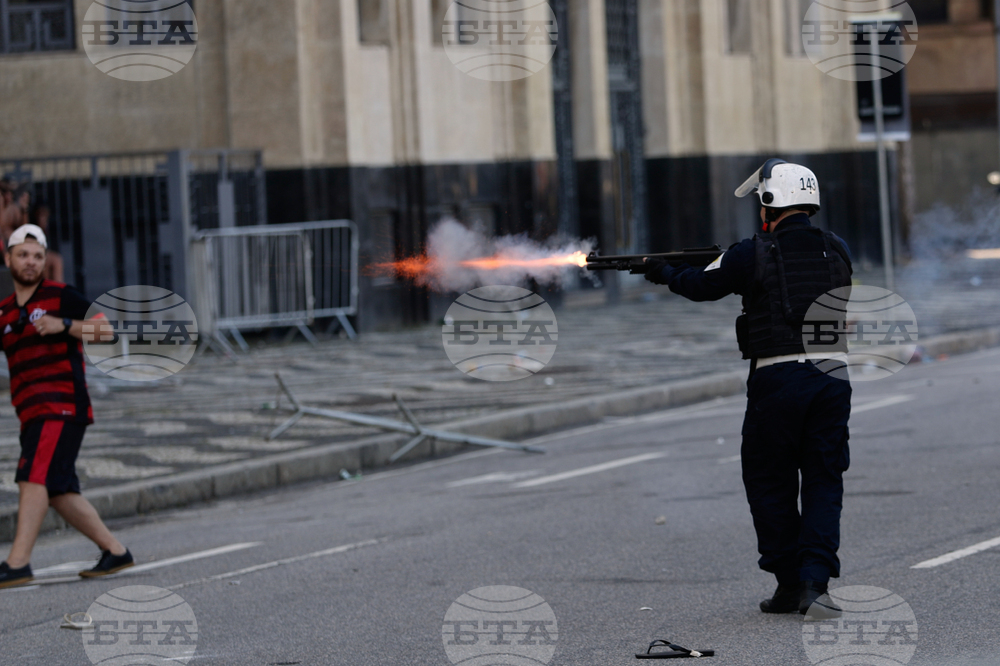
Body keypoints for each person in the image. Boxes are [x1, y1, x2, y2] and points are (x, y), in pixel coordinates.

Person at [644, 159, 852, 617]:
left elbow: (700, 287)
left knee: (770, 482)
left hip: (778, 379)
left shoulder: (754, 251)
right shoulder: (836, 249)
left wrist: (660, 271)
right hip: (832, 379)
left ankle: (788, 583)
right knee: (823, 478)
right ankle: (816, 585)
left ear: (770, 201)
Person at [0, 224, 133, 589]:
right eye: (23, 255)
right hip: (30, 413)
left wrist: (66, 324)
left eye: (38, 256)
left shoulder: (61, 296)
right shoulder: (5, 313)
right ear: (7, 257)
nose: (30, 262)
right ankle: (115, 551)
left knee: (33, 476)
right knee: (58, 489)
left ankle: (18, 563)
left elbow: (106, 332)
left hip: (60, 406)